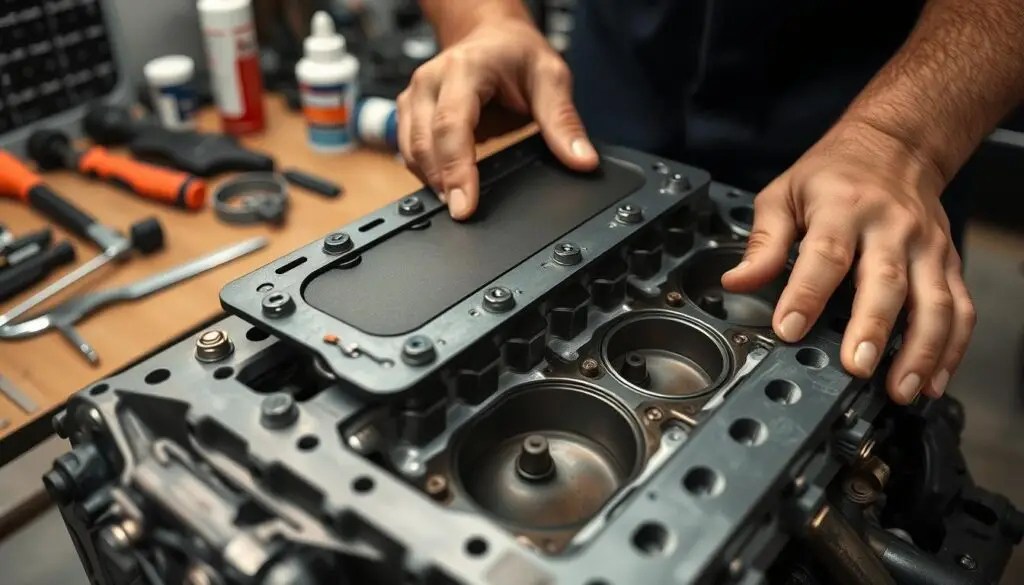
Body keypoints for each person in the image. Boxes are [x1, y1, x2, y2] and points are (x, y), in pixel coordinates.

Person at [397, 0, 1024, 406]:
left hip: (877, 138)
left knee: (857, 378)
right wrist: (483, 21)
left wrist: (903, 137)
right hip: (605, 114)